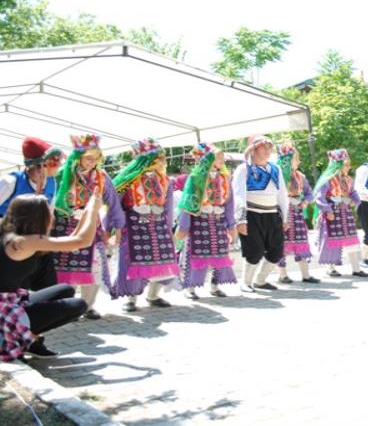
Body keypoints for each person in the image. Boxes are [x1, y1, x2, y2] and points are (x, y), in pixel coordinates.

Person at [0, 191, 101, 360]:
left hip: (11, 301)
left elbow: (73, 240)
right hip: (5, 313)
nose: (52, 215)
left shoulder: (12, 236)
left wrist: (84, 215)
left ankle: (29, 338)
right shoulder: (23, 242)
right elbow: (82, 241)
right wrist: (93, 210)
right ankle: (22, 338)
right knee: (78, 305)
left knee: (65, 290)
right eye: (49, 211)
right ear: (37, 217)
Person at [53, 134, 125, 320]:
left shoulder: (102, 177)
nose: (92, 162)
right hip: (65, 227)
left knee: (95, 267)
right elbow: (51, 199)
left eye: (96, 158)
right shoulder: (62, 175)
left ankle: (87, 306)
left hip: (93, 227)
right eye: (88, 158)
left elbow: (113, 203)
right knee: (66, 269)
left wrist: (117, 227)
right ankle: (68, 307)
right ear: (78, 157)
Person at [110, 138, 178, 312]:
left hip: (159, 224)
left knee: (161, 260)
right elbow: (114, 202)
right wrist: (114, 226)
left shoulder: (165, 180)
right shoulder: (127, 178)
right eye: (160, 158)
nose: (163, 161)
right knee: (134, 262)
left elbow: (168, 206)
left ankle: (153, 295)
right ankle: (130, 298)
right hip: (134, 225)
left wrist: (169, 227)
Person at [0, 137, 64, 291]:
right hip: (10, 245)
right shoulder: (10, 182)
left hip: (37, 243)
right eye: (54, 161)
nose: (59, 165)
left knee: (47, 287)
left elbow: (49, 214)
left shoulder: (52, 183)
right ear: (38, 164)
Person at [176, 143, 238, 299]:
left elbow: (229, 203)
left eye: (222, 157)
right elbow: (187, 202)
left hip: (218, 222)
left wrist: (231, 224)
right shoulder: (196, 177)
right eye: (218, 157)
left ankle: (215, 285)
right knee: (195, 255)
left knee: (220, 255)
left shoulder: (224, 178)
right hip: (199, 222)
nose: (222, 159)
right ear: (206, 159)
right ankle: (189, 287)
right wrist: (183, 226)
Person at [233, 135, 289, 292]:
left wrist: (285, 216)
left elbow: (282, 194)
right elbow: (239, 194)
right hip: (252, 214)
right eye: (264, 148)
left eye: (269, 148)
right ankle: (246, 281)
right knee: (254, 250)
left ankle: (260, 280)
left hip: (272, 215)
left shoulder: (275, 168)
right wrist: (241, 219)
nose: (268, 151)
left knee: (277, 251)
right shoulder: (244, 168)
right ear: (253, 149)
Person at [314, 149, 368, 278]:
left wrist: (355, 201)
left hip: (345, 212)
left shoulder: (348, 179)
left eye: (349, 164)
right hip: (333, 213)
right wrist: (327, 210)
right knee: (332, 240)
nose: (349, 167)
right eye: (346, 165)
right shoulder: (328, 179)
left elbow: (353, 192)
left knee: (352, 240)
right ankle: (331, 267)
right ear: (337, 165)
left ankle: (356, 268)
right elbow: (319, 197)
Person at [275, 141, 318, 284]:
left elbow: (309, 193)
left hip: (297, 214)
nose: (299, 161)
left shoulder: (300, 176)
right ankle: (282, 275)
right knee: (281, 244)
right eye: (296, 158)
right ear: (287, 159)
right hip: (282, 214)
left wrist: (305, 202)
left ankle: (305, 275)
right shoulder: (278, 176)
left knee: (301, 242)